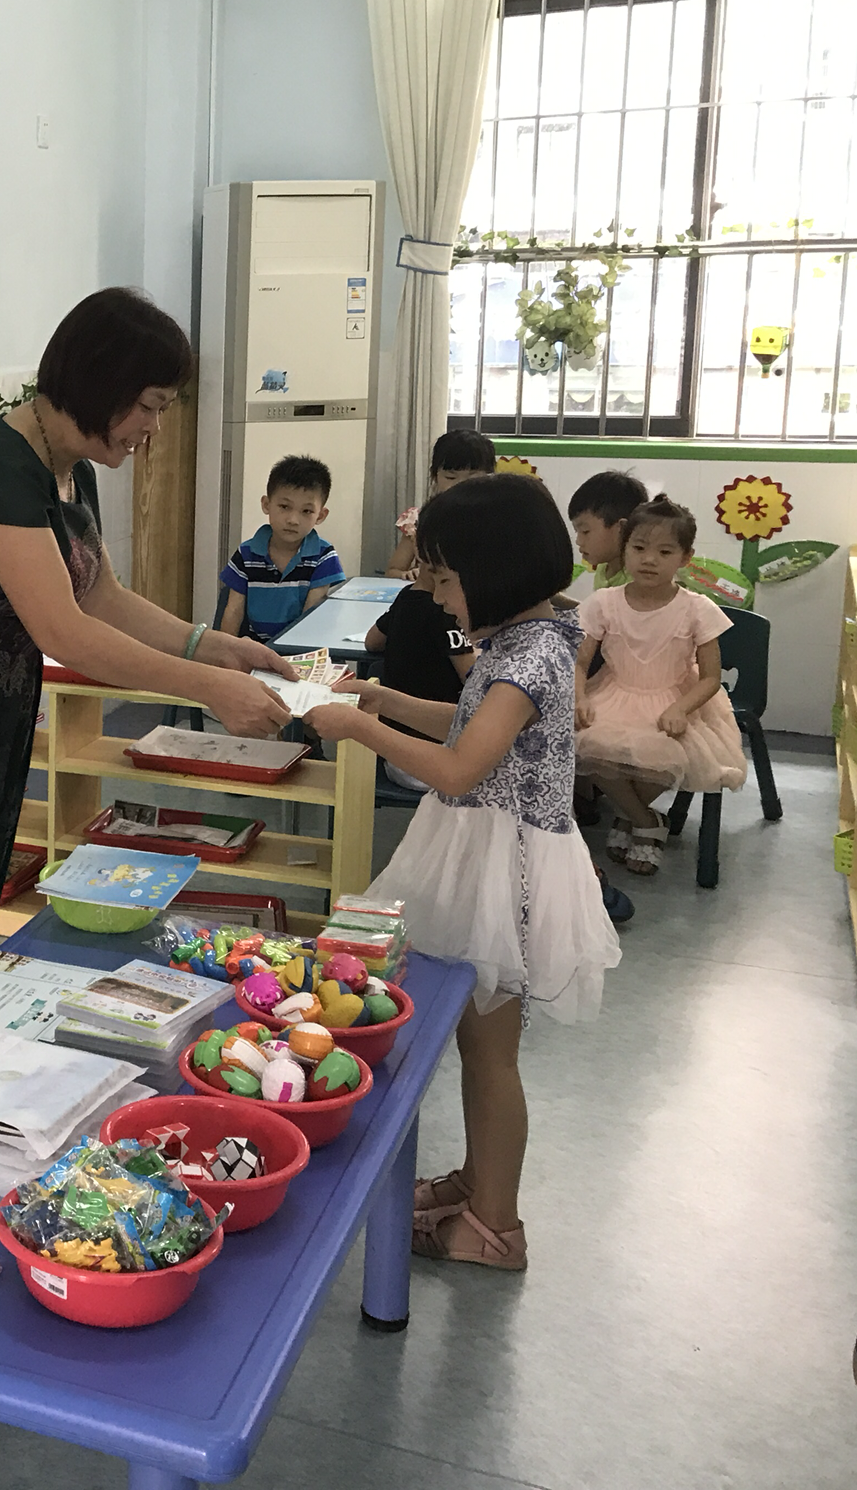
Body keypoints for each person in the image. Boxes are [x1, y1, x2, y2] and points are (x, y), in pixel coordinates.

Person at [0, 288, 297, 1009]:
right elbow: (63, 631)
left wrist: (214, 646)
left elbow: (101, 596)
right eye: (150, 406)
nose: (154, 428)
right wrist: (206, 687)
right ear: (101, 382)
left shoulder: (72, 468)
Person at [306, 476, 619, 1270]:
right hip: (485, 848)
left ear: (494, 572)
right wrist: (379, 698)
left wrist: (357, 728)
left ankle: (495, 1227)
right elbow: (472, 724)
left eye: (444, 579)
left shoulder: (529, 655)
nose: (435, 595)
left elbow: (458, 768)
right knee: (481, 1042)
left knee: (489, 1053)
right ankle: (480, 1185)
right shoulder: (528, 636)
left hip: (504, 865)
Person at [574, 495, 744, 876]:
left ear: (685, 558)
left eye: (664, 552)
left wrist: (680, 708)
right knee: (588, 744)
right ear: (625, 548)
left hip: (675, 698)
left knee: (670, 755)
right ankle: (646, 820)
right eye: (639, 548)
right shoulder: (603, 602)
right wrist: (579, 697)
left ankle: (630, 817)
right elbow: (580, 662)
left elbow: (712, 677)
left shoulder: (697, 608)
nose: (649, 559)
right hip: (614, 693)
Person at [363, 558, 473, 791]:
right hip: (433, 761)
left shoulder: (406, 597)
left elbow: (372, 642)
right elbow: (475, 680)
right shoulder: (445, 612)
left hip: (396, 756)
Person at [216, 455, 344, 643]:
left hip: (299, 648)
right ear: (266, 504)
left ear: (320, 515)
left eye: (306, 511)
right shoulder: (246, 554)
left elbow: (310, 618)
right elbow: (233, 611)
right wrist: (225, 651)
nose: (293, 520)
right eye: (284, 506)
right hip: (253, 647)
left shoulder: (323, 556)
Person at [384, 429, 496, 577]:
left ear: (490, 477)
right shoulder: (418, 521)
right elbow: (392, 571)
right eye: (450, 477)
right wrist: (408, 575)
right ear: (435, 477)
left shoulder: (497, 520)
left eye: (472, 478)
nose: (460, 485)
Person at [566, 469, 648, 592]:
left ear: (622, 528)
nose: (578, 541)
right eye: (577, 532)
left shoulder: (640, 579)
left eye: (585, 531)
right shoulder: (603, 568)